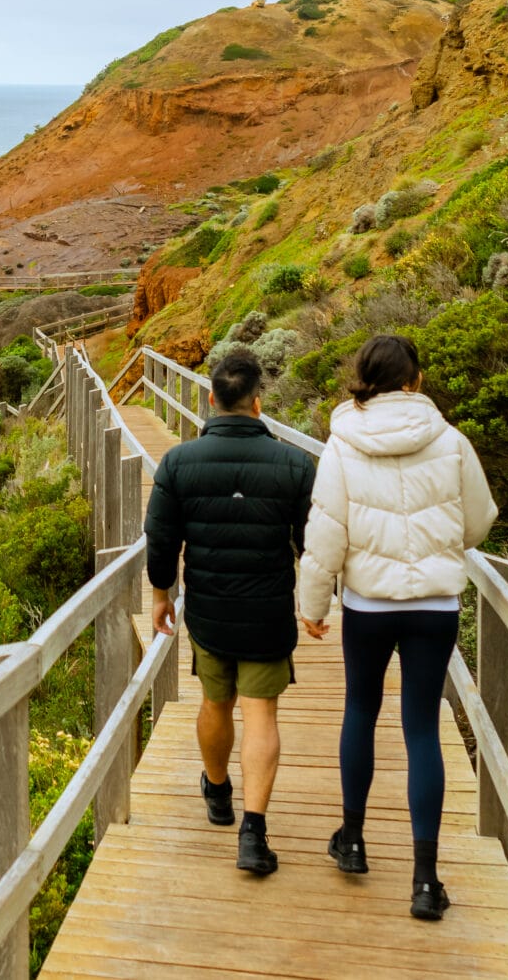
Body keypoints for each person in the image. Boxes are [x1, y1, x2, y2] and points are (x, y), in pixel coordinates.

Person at [295, 333, 498, 923]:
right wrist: (438, 548)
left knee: (360, 710)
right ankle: (426, 880)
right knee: (421, 732)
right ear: (413, 380)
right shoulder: (451, 439)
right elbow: (479, 520)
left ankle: (353, 841)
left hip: (367, 604)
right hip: (434, 606)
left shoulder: (342, 444)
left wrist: (314, 605)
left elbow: (325, 533)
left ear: (366, 378)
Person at [144, 345, 317, 875]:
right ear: (258, 404)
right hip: (268, 610)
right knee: (261, 714)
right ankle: (254, 833)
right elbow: (311, 543)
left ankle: (217, 791)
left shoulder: (178, 461)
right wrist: (314, 601)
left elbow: (160, 536)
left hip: (210, 611)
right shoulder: (294, 464)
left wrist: (160, 593)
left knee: (215, 703)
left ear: (213, 401)